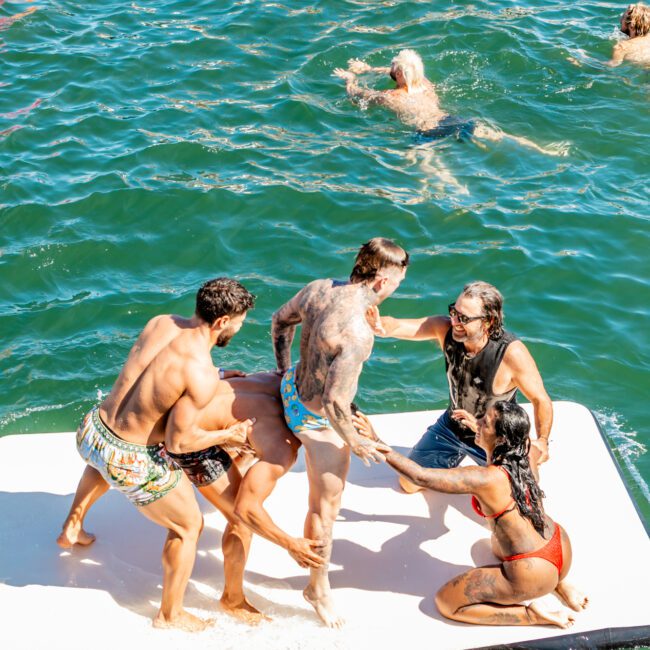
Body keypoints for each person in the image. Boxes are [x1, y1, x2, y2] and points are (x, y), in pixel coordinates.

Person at [57, 278, 254, 631]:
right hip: (130, 459)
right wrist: (231, 433)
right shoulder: (200, 370)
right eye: (239, 322)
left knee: (102, 462)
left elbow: (155, 374)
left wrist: (217, 375)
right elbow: (180, 443)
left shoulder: (162, 322)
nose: (239, 329)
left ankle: (72, 526)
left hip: (93, 431)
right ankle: (169, 614)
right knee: (189, 525)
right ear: (223, 321)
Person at [271, 237, 409, 627]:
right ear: (382, 281)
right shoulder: (356, 334)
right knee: (324, 510)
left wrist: (283, 370)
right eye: (398, 283)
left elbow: (279, 322)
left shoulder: (319, 289)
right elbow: (334, 404)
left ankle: (317, 585)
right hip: (316, 423)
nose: (396, 290)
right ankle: (317, 588)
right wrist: (355, 441)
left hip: (289, 393)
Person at [352, 402, 588, 628]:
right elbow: (534, 445)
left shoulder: (485, 478)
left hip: (533, 571)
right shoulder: (527, 451)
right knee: (489, 544)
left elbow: (421, 476)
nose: (478, 421)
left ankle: (532, 614)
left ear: (502, 438)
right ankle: (559, 582)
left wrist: (377, 441)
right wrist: (479, 429)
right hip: (559, 546)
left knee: (447, 602)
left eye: (485, 422)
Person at [367, 281, 553, 493]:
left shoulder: (511, 354)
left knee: (515, 497)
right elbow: (399, 325)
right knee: (409, 483)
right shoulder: (444, 329)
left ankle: (511, 465)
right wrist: (380, 326)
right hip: (453, 426)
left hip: (495, 437)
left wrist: (543, 440)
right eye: (454, 312)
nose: (454, 321)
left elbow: (541, 400)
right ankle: (464, 468)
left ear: (488, 321)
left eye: (464, 318)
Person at [333, 49, 565, 155]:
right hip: (450, 120)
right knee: (494, 134)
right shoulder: (425, 82)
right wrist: (370, 68)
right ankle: (540, 149)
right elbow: (407, 70)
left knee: (431, 166)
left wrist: (350, 79)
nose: (391, 71)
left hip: (426, 131)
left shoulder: (391, 97)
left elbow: (357, 96)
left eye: (393, 69)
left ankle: (454, 188)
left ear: (399, 75)